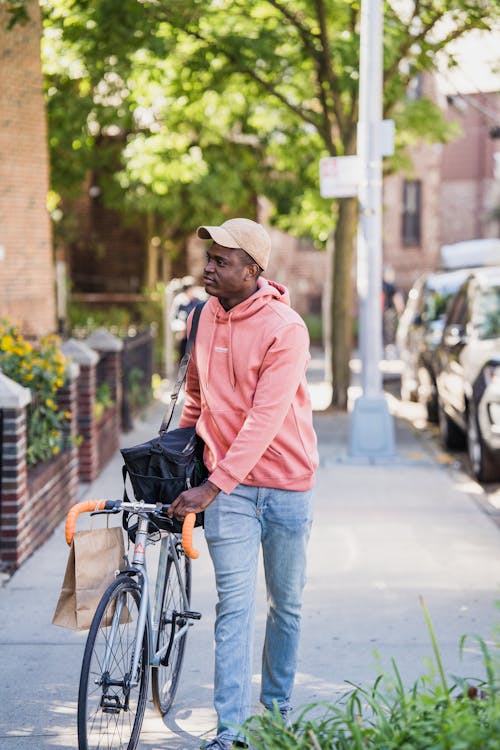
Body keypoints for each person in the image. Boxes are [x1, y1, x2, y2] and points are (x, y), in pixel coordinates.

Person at [168, 218, 319, 750]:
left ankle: (275, 715)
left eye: (221, 261)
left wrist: (210, 488)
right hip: (228, 490)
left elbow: (265, 417)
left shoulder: (286, 328)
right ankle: (229, 732)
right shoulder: (203, 316)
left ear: (253, 271)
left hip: (285, 486)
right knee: (233, 606)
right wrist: (180, 459)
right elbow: (194, 393)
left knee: (286, 604)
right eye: (208, 257)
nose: (207, 268)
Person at [170, 277, 204, 362]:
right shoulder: (180, 301)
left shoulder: (198, 300)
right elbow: (174, 317)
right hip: (184, 334)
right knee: (184, 357)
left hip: (197, 334)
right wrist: (181, 328)